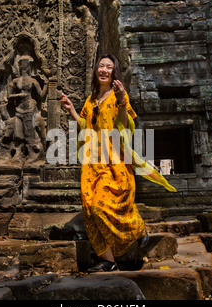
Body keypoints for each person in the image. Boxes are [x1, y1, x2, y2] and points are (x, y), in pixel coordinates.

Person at [61, 53, 176, 272]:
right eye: (101, 66)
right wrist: (73, 111)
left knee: (101, 204)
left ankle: (139, 228)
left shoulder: (118, 96)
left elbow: (125, 124)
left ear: (114, 73)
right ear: (96, 71)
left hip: (113, 160)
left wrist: (122, 100)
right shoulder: (91, 98)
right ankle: (108, 260)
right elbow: (87, 127)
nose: (104, 70)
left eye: (109, 67)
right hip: (91, 162)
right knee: (89, 210)